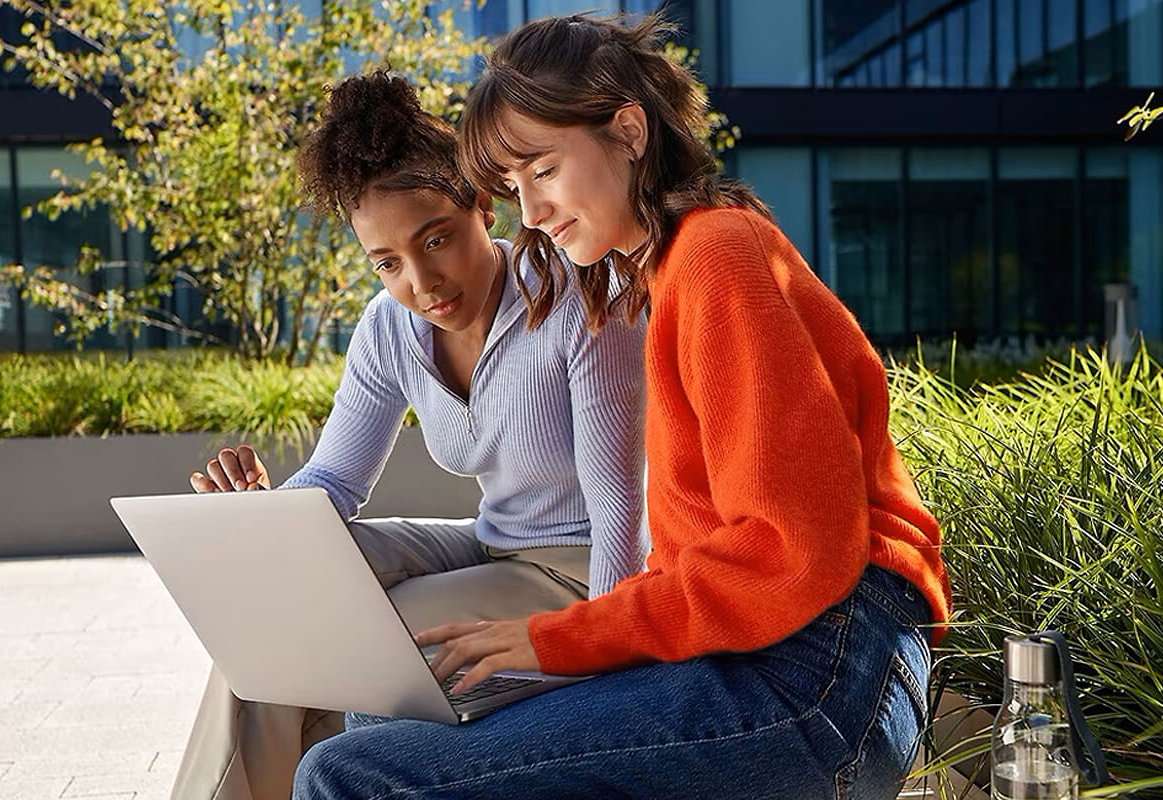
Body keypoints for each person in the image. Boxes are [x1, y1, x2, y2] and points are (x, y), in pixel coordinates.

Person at [293, 13, 953, 800]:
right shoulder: (667, 271)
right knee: (385, 732)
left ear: (629, 131)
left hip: (825, 669)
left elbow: (788, 550)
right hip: (775, 656)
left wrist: (561, 637)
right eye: (513, 187)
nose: (529, 213)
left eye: (541, 170)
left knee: (350, 774)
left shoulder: (718, 256)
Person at [171, 69, 648, 800]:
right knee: (281, 595)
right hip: (490, 541)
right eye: (388, 262)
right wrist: (260, 525)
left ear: (481, 205)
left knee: (328, 642)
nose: (421, 283)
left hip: (580, 568)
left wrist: (611, 653)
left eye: (437, 239)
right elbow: (333, 484)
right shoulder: (389, 327)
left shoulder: (574, 295)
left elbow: (621, 504)